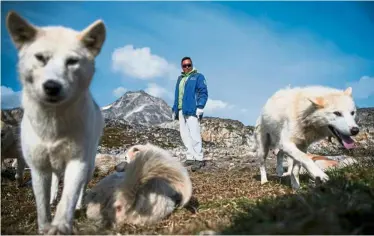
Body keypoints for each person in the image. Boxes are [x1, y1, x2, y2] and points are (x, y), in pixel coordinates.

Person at [172, 56, 208, 171]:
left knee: (194, 134)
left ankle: (199, 158)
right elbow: (177, 95)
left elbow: (203, 92)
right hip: (181, 109)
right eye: (184, 65)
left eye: (189, 65)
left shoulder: (198, 76)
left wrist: (200, 106)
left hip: (192, 109)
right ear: (182, 67)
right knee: (184, 134)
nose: (187, 67)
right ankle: (190, 156)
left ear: (192, 65)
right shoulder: (180, 79)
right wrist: (174, 109)